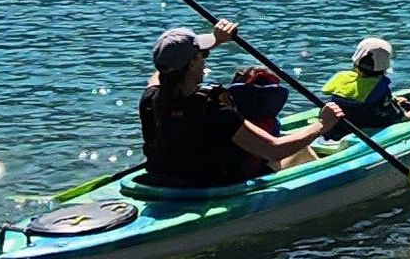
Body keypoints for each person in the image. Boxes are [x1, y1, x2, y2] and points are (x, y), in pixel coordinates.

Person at [140, 25, 339, 187]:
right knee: (301, 150)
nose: (204, 62)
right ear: (192, 63)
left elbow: (162, 72)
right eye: (202, 56)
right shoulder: (214, 108)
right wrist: (322, 125)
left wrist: (214, 40)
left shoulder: (150, 100)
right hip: (211, 187)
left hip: (165, 181)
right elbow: (273, 150)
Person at [321, 36, 410, 137]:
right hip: (372, 124)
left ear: (355, 63)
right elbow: (395, 115)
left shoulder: (341, 77)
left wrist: (394, 101)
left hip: (341, 125)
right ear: (385, 67)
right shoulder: (380, 86)